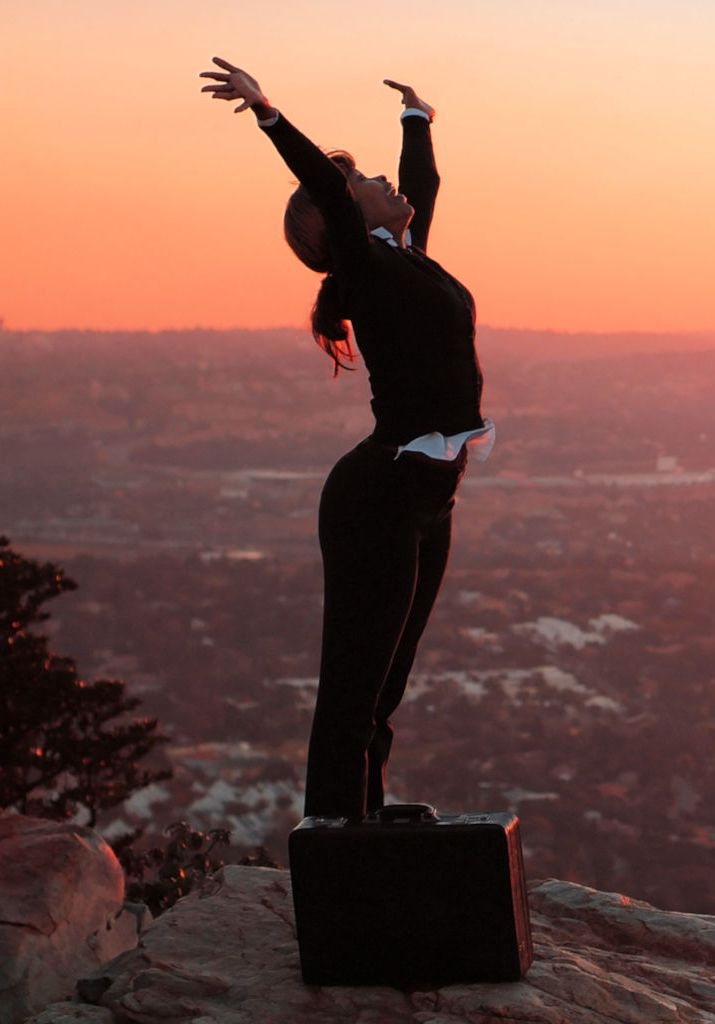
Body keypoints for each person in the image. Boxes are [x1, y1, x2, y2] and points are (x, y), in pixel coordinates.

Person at [199, 58, 494, 820]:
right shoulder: (366, 270)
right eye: (365, 184)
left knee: (387, 684)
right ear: (347, 222)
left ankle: (366, 822)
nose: (383, 186)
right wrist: (267, 112)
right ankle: (337, 843)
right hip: (379, 499)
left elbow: (417, 192)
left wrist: (417, 122)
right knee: (354, 690)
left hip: (431, 494)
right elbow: (330, 190)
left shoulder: (404, 258)